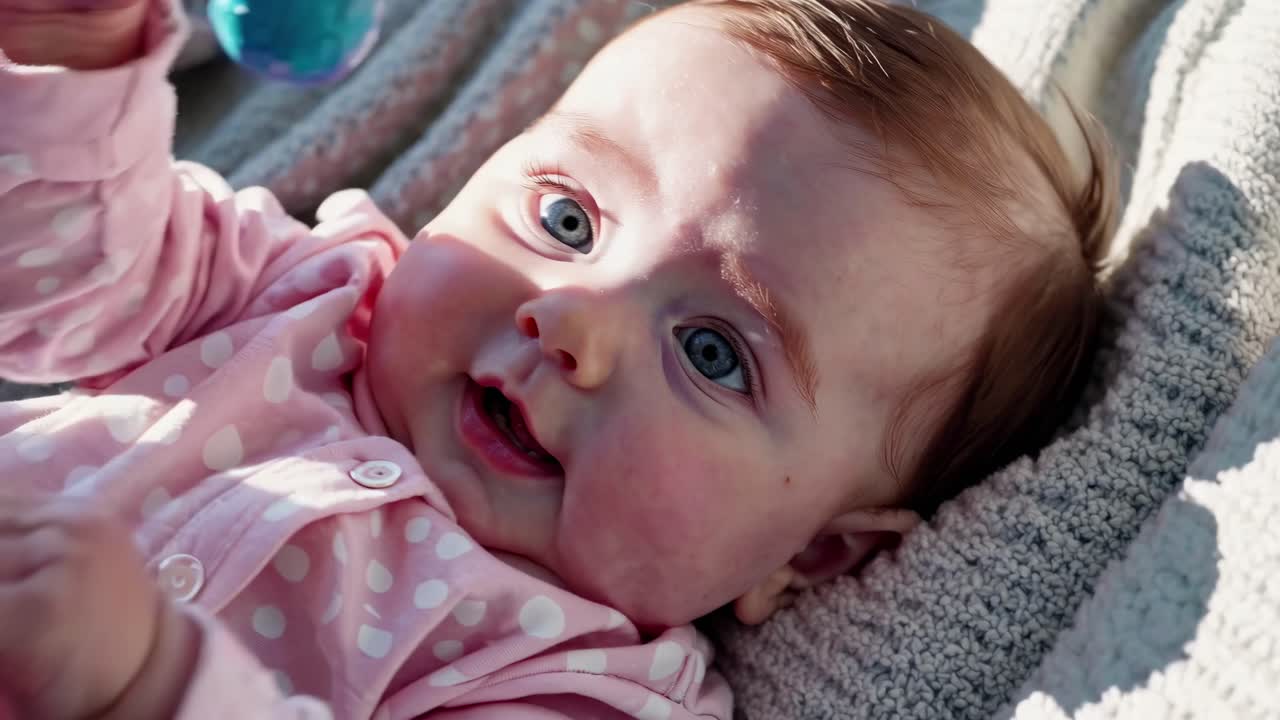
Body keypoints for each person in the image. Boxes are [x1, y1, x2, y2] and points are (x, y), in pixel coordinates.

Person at [0, 0, 1116, 717]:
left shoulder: (580, 686)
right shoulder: (298, 289)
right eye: (567, 220)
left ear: (814, 554)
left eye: (712, 353)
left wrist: (152, 683)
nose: (575, 323)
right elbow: (62, 275)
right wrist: (71, 54)